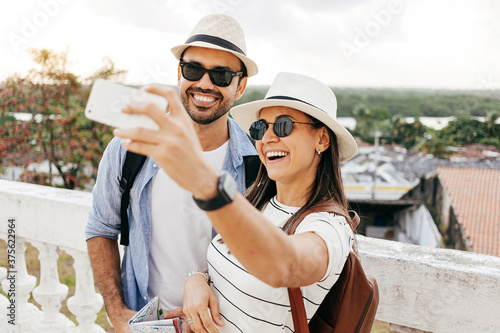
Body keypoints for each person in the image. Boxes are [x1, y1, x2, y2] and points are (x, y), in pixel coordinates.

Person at [113, 72, 359, 332]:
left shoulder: (329, 227)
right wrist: (196, 279)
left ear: (322, 139)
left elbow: (284, 265)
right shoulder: (256, 203)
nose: (267, 138)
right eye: (260, 127)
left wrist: (205, 182)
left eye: (284, 125)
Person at [84, 14, 258, 332]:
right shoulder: (130, 148)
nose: (205, 83)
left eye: (221, 75)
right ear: (179, 73)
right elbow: (101, 229)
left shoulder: (257, 166)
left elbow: (264, 258)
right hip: (148, 323)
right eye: (194, 69)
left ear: (241, 85)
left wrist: (200, 279)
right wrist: (118, 313)